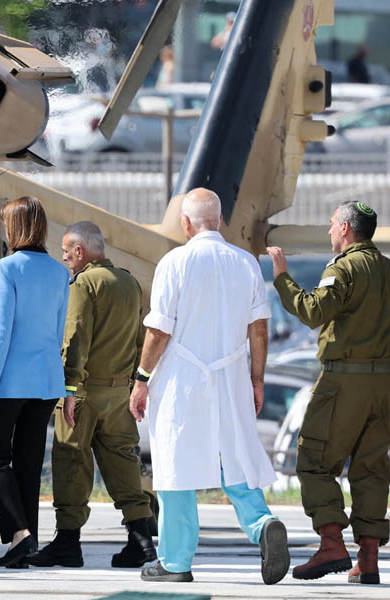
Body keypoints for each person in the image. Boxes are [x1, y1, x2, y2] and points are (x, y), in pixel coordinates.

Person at [128, 188, 289, 585]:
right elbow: (260, 330)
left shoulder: (174, 263)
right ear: (219, 221)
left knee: (174, 466)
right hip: (231, 375)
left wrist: (142, 378)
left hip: (182, 378)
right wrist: (256, 380)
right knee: (236, 454)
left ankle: (176, 562)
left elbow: (158, 330)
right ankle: (261, 521)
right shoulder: (245, 263)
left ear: (186, 223)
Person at [268, 201, 390, 584]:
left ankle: (331, 543)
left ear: (347, 230)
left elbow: (312, 312)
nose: (328, 231)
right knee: (371, 469)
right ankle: (367, 559)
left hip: (345, 380)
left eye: (332, 224)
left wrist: (282, 277)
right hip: (384, 383)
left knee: (313, 461)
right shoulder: (387, 268)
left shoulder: (344, 268)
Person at [29, 221, 154, 569]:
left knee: (71, 460)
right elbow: (139, 340)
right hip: (119, 393)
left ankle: (68, 542)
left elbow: (75, 340)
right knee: (123, 463)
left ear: (81, 252)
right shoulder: (130, 282)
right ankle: (141, 541)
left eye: (67, 253)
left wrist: (68, 390)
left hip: (82, 393)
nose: (66, 259)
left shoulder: (84, 284)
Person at [0, 196, 70, 568]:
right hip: (46, 381)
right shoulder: (60, 273)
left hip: (9, 380)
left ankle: (19, 534)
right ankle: (25, 541)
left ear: (14, 228)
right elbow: (58, 331)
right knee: (28, 462)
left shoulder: (6, 269)